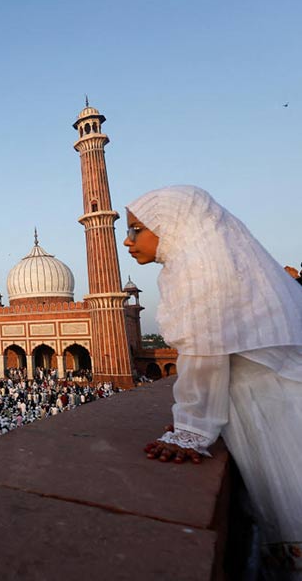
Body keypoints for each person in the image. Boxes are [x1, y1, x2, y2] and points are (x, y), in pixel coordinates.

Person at [124, 185, 302, 572]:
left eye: (138, 229)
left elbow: (205, 354)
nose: (127, 240)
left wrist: (191, 428)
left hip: (280, 417)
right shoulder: (209, 263)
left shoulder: (198, 268)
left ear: (174, 227)